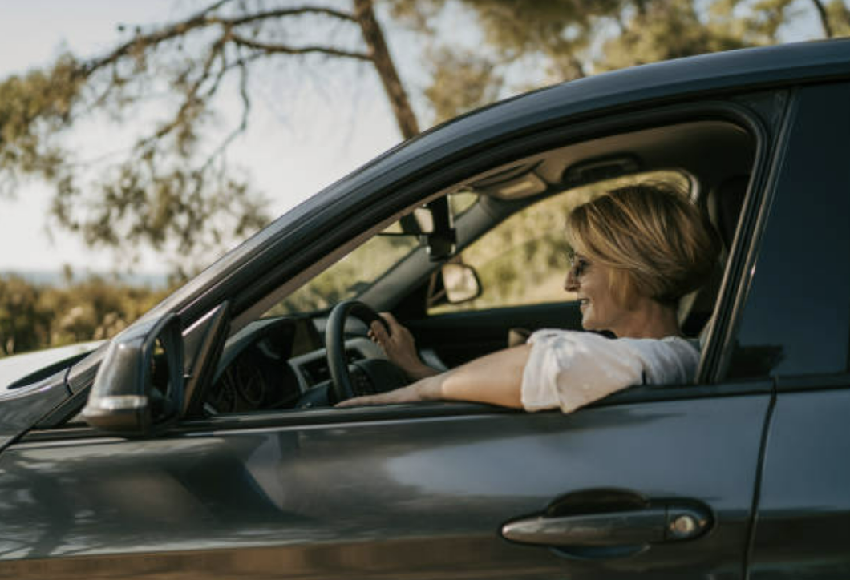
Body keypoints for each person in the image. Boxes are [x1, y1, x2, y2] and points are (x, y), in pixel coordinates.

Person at [337, 184, 720, 413]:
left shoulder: (670, 358)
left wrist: (414, 393)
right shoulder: (648, 359)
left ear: (632, 270)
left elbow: (551, 365)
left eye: (582, 266)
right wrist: (419, 371)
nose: (569, 283)